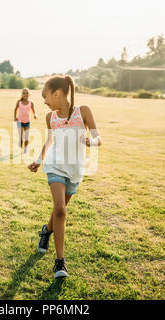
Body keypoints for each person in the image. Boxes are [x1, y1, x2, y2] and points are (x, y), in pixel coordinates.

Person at [28, 75, 102, 278]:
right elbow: (50, 140)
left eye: (45, 96)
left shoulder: (83, 112)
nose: (44, 101)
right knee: (60, 210)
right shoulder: (50, 117)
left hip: (75, 170)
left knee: (59, 211)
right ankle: (60, 263)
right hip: (55, 165)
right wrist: (39, 159)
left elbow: (98, 138)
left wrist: (90, 141)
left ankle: (46, 231)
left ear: (57, 93)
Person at [14, 88, 37, 154]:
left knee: (26, 137)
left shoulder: (31, 103)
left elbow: (34, 111)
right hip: (19, 121)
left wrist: (35, 115)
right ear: (22, 94)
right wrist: (15, 117)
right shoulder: (19, 102)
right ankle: (20, 141)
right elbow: (15, 110)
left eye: (27, 93)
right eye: (24, 93)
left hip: (27, 122)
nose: (25, 94)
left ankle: (25, 149)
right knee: (21, 137)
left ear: (29, 94)